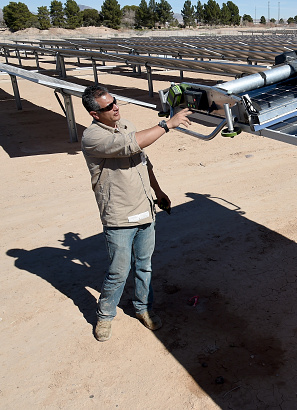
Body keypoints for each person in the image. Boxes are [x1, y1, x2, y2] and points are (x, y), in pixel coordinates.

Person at [81, 85, 191, 342]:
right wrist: (167, 125)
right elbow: (130, 145)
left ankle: (143, 308)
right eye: (108, 107)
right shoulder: (92, 137)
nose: (116, 108)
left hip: (145, 209)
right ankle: (105, 316)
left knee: (144, 266)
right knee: (119, 271)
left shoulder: (126, 124)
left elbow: (143, 159)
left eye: (115, 102)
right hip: (119, 215)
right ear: (95, 114)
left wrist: (159, 192)